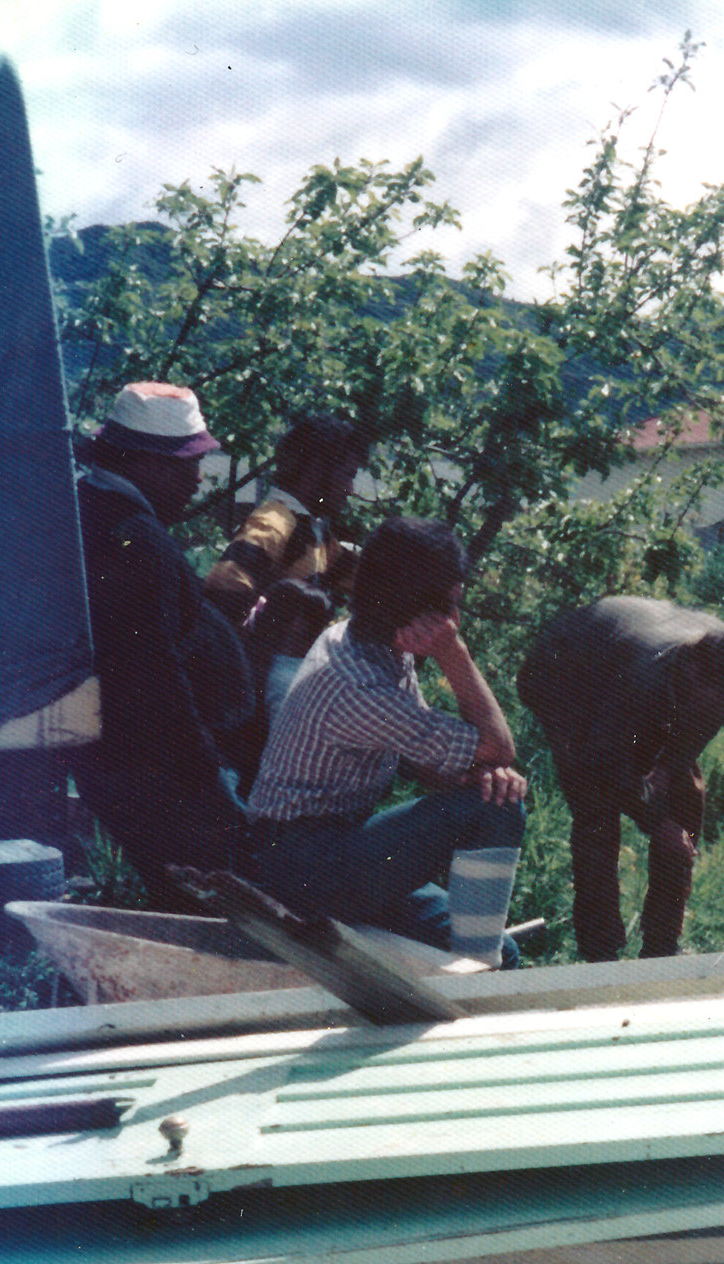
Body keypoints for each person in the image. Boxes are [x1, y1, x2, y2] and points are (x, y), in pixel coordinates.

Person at [245, 517, 527, 967]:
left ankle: (482, 970)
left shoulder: (371, 644)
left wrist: (483, 773)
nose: (455, 621)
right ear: (414, 608)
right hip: (301, 863)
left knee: (504, 951)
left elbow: (432, 766)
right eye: (450, 607)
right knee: (497, 807)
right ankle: (481, 986)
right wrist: (455, 654)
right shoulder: (357, 685)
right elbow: (500, 746)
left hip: (332, 847)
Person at [70, 381, 255, 914]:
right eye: (184, 465)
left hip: (143, 768)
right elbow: (152, 676)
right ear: (144, 462)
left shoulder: (109, 518)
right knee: (219, 918)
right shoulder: (132, 535)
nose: (198, 478)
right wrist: (206, 784)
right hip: (165, 776)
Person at [518, 597, 724, 963]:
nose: (721, 712)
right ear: (693, 671)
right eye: (716, 702)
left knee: (686, 795)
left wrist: (669, 765)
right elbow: (604, 761)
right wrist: (657, 822)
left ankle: (662, 943)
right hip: (565, 672)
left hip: (626, 667)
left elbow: (699, 730)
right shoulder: (640, 679)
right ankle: (600, 950)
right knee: (595, 809)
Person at [206, 412, 367, 631]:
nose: (350, 490)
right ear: (316, 470)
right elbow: (222, 595)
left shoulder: (314, 533)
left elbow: (368, 581)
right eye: (348, 475)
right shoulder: (274, 524)